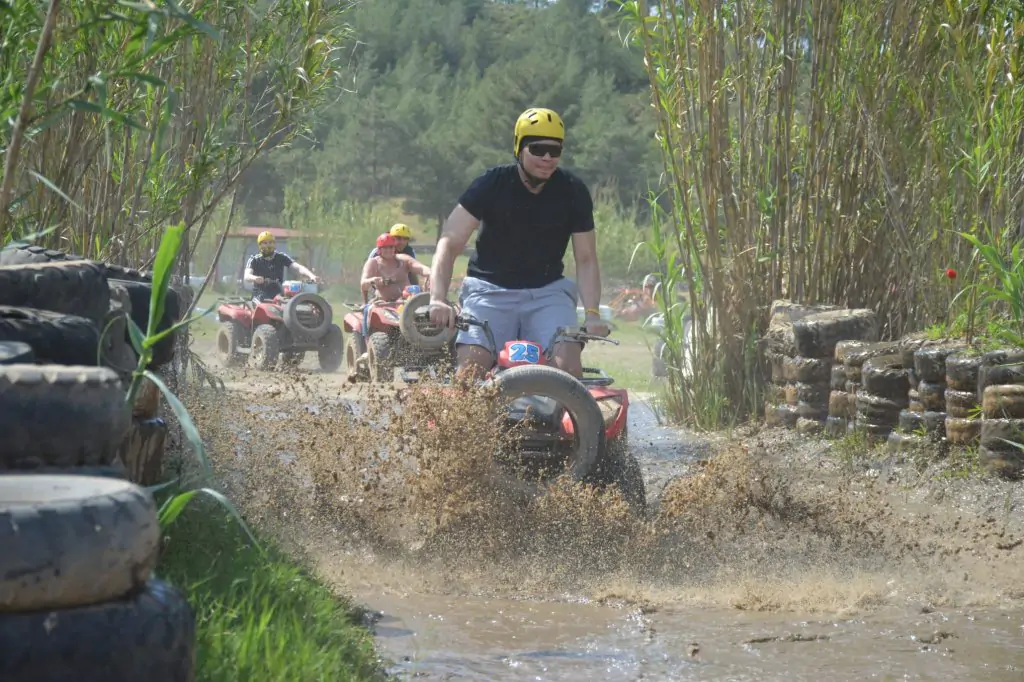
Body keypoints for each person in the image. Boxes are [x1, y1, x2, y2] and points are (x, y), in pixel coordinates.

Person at [426, 106, 609, 379]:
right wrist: (437, 299)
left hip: (548, 294)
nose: (547, 157)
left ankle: (563, 419)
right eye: (537, 149)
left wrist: (592, 313)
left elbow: (586, 258)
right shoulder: (491, 184)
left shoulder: (573, 190)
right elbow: (449, 243)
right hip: (488, 292)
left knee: (568, 365)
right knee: (470, 369)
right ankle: (466, 420)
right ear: (519, 148)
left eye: (555, 150)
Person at [243, 231, 320, 301]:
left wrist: (311, 276)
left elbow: (298, 267)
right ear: (260, 245)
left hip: (279, 294)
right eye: (265, 243)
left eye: (270, 242)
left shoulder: (281, 257)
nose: (268, 245)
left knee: (290, 303)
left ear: (274, 244)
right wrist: (255, 278)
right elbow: (247, 276)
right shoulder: (254, 259)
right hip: (259, 295)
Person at [361, 233, 431, 302]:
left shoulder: (403, 259)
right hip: (383, 304)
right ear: (379, 250)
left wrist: (430, 273)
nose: (388, 250)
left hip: (407, 302)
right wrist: (373, 280)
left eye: (391, 247)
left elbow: (420, 268)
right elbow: (363, 283)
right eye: (385, 248)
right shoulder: (373, 263)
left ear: (394, 248)